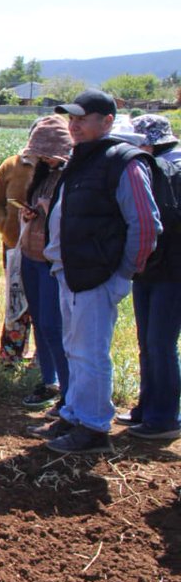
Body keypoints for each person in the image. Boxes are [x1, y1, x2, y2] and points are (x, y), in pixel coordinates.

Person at [29, 91, 160, 454]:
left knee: (90, 352)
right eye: (72, 119)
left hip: (98, 275)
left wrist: (122, 274)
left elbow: (146, 226)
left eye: (82, 119)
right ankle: (75, 414)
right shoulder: (81, 160)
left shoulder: (123, 162)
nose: (74, 125)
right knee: (74, 348)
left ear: (106, 122)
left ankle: (93, 427)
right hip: (71, 272)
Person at [120, 115, 181, 441]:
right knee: (148, 342)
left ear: (149, 141)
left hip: (172, 271)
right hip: (152, 267)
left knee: (160, 342)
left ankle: (165, 417)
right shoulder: (152, 164)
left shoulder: (172, 167)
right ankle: (147, 409)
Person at [16, 116, 73, 411]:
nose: (44, 159)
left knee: (54, 325)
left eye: (48, 154)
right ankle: (48, 381)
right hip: (32, 256)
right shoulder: (41, 174)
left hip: (54, 262)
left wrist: (50, 212)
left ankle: (68, 392)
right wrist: (29, 214)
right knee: (40, 322)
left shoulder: (72, 175)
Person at [0, 148, 36, 366]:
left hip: (49, 250)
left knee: (45, 305)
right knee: (16, 300)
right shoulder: (12, 165)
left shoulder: (63, 168)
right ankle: (10, 356)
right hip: (14, 246)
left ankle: (44, 359)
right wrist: (5, 226)